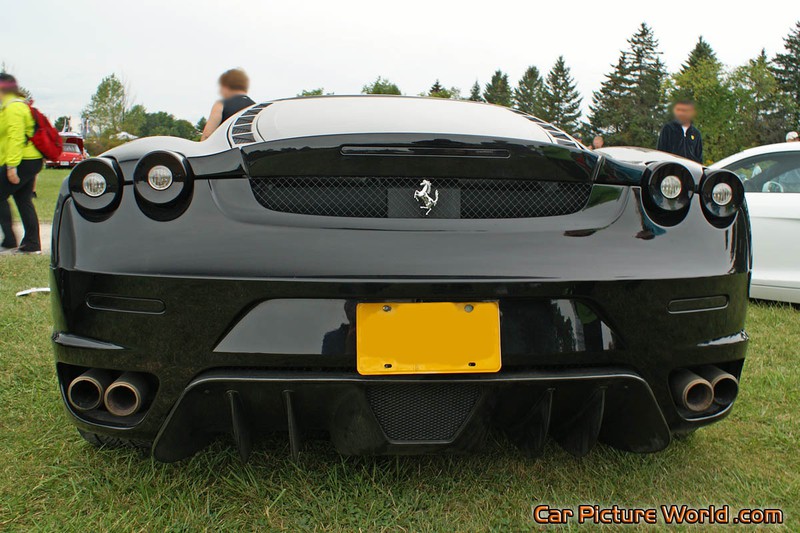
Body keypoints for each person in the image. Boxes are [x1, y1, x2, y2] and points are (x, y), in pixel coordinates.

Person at [0, 73, 42, 254]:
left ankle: (10, 240)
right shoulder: (12, 106)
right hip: (27, 161)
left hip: (23, 161)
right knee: (23, 200)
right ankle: (32, 244)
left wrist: (11, 167)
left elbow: (16, 138)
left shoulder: (14, 108)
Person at [200, 68, 255, 141]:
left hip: (226, 149)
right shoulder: (255, 107)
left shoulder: (221, 104)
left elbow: (207, 135)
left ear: (225, 86)